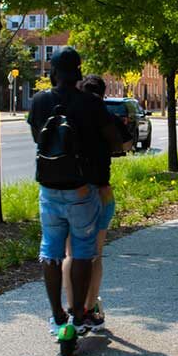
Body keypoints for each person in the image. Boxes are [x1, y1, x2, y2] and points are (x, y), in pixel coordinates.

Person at [27, 48, 128, 337]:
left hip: (48, 188)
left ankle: (57, 315)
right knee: (83, 250)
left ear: (53, 72)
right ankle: (81, 314)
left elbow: (38, 138)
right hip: (81, 189)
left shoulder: (39, 101)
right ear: (79, 72)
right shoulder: (90, 104)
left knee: (51, 250)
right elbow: (115, 141)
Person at [62, 75, 132, 331]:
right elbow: (126, 144)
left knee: (71, 254)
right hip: (102, 192)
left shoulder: (69, 116)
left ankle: (72, 309)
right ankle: (89, 309)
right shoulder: (106, 117)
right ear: (102, 94)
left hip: (70, 192)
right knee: (95, 254)